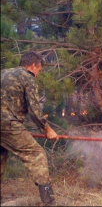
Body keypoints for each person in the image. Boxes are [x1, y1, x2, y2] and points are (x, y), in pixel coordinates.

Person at [1, 51, 59, 205]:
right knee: (37, 155)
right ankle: (49, 202)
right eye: (39, 70)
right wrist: (47, 129)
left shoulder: (3, 73)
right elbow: (34, 110)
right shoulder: (28, 77)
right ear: (33, 65)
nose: (38, 75)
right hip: (7, 124)